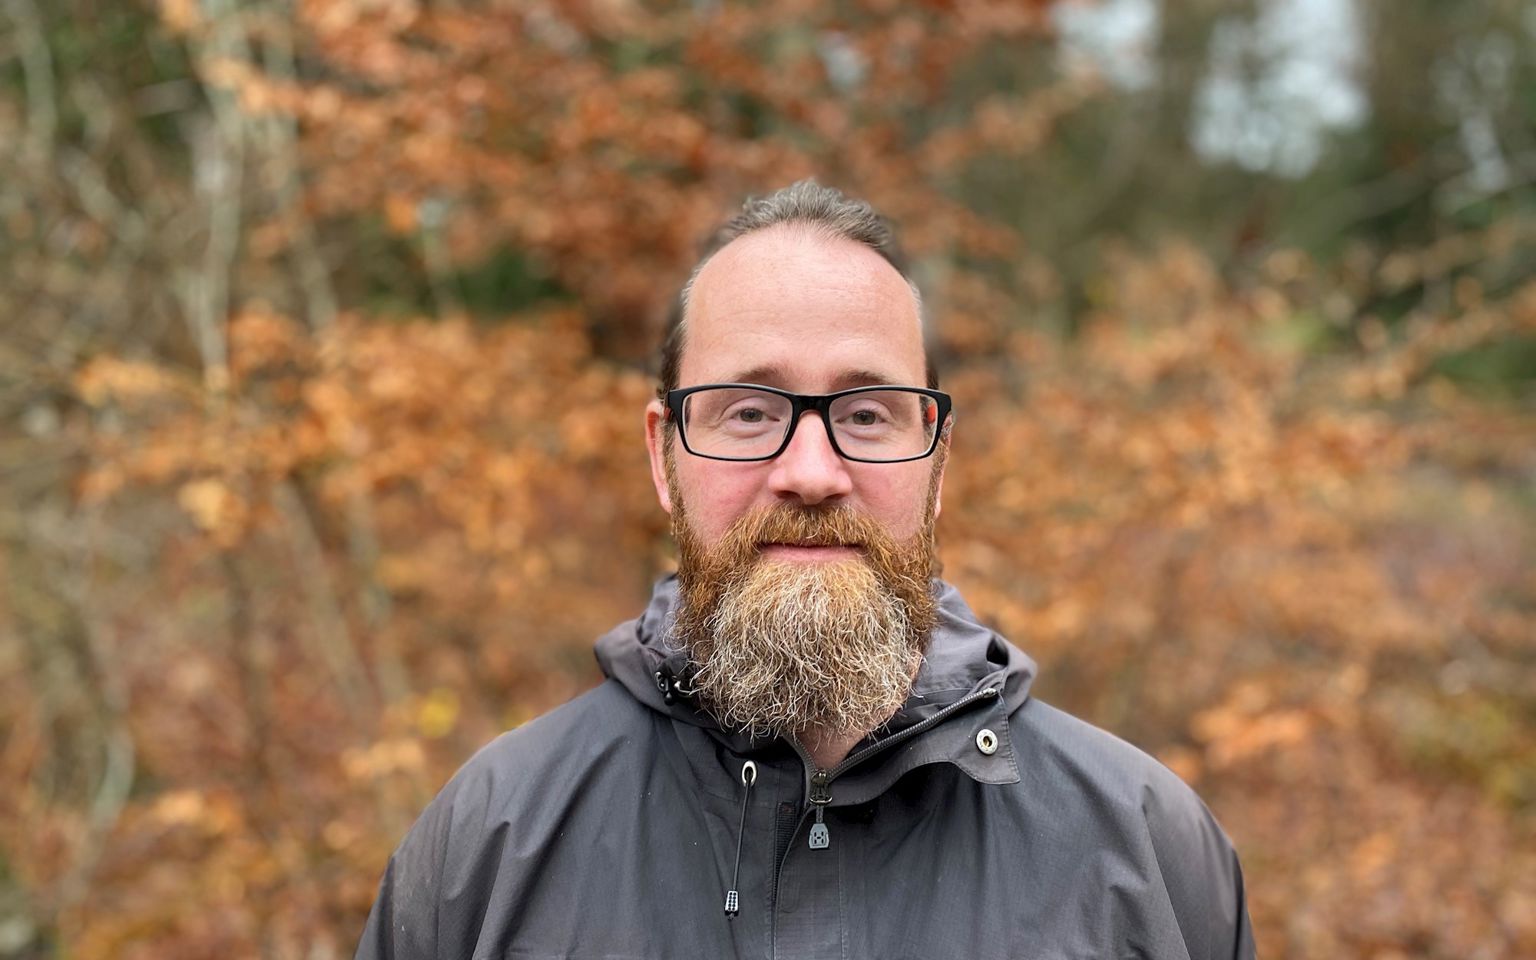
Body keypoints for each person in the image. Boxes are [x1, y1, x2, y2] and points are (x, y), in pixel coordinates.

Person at [354, 181, 1255, 960]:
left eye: (866, 415)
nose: (813, 473)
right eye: (749, 412)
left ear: (938, 462)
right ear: (664, 457)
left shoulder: (1145, 849)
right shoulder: (489, 844)